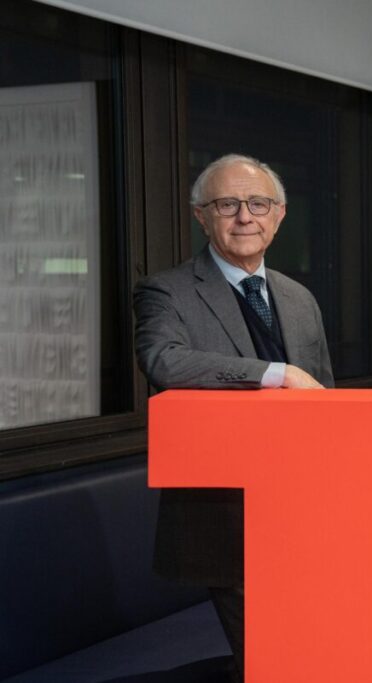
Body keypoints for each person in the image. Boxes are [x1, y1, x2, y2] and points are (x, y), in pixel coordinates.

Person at [134, 154, 333, 680]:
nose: (245, 216)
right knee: (266, 663)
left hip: (304, 514)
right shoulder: (166, 291)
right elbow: (163, 360)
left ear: (280, 215)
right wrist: (275, 373)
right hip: (226, 517)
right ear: (201, 216)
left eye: (258, 204)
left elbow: (326, 405)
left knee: (313, 655)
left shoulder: (299, 298)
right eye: (227, 204)